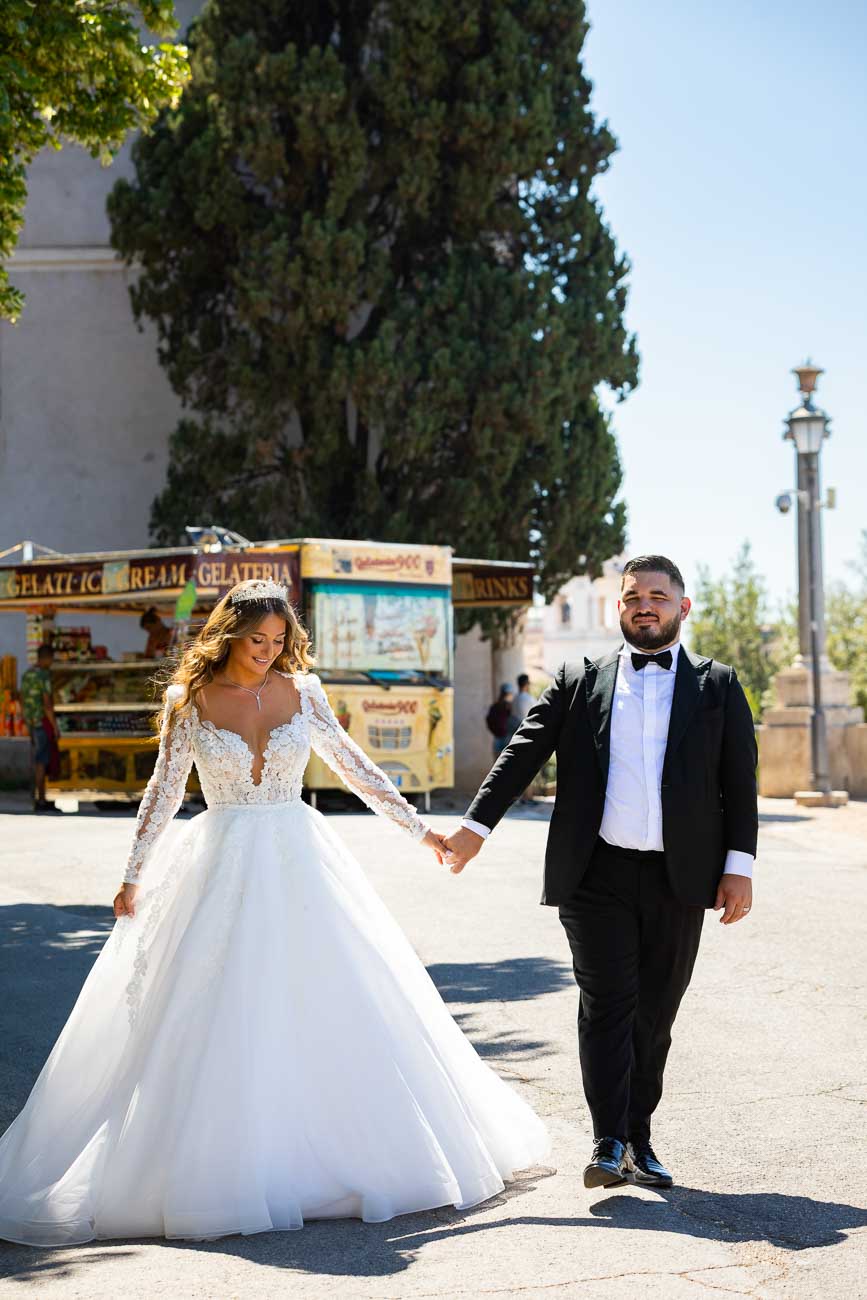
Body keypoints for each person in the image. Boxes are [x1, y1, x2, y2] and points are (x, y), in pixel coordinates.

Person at [0, 578, 547, 1246]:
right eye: (256, 640)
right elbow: (164, 792)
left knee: (330, 995)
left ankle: (338, 1148)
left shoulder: (304, 692)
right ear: (228, 634)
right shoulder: (189, 699)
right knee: (216, 1003)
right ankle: (220, 1161)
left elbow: (355, 767)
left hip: (298, 855)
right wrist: (132, 873)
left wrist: (420, 830)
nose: (266, 652)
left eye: (278, 640)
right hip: (220, 855)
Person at [442, 555, 757, 1192]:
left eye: (659, 596)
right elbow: (523, 750)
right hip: (596, 873)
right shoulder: (578, 679)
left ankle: (639, 1135)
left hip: (682, 876)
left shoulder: (718, 685)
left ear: (682, 608)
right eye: (633, 595)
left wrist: (739, 868)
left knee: (656, 1012)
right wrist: (474, 829)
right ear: (618, 607)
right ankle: (608, 1137)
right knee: (609, 1002)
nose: (646, 605)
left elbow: (739, 781)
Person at [20, 643, 59, 813]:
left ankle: (40, 798)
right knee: (42, 761)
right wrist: (55, 727)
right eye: (51, 660)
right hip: (42, 722)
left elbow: (21, 700)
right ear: (47, 658)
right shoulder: (43, 675)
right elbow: (47, 704)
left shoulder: (27, 674)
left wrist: (27, 722)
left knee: (38, 760)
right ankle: (41, 800)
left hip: (32, 722)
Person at [485, 683, 515, 758]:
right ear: (508, 694)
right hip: (507, 739)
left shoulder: (495, 706)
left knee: (498, 766)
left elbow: (488, 721)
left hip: (497, 738)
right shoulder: (510, 707)